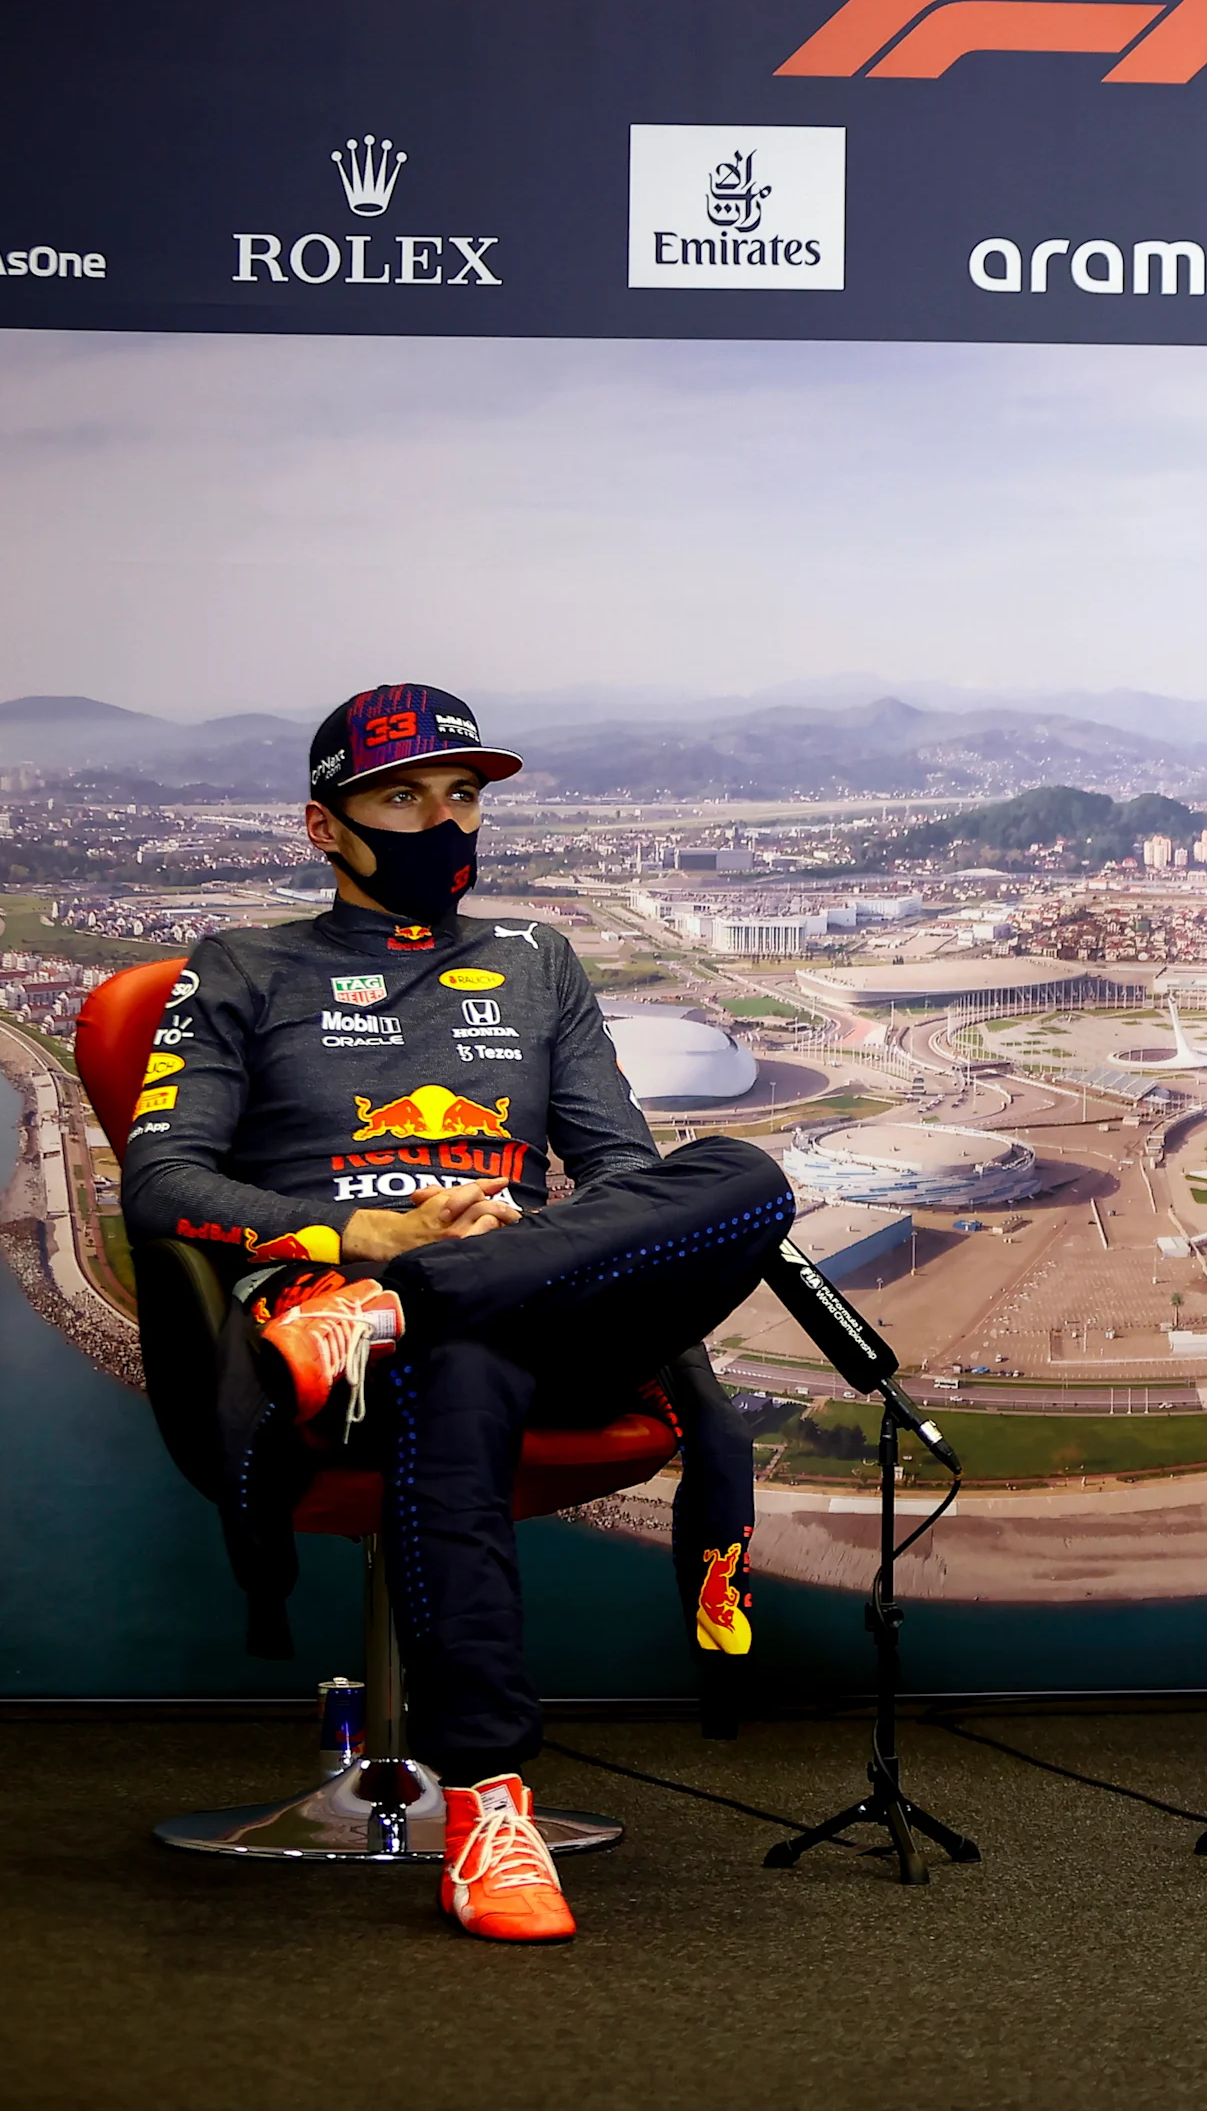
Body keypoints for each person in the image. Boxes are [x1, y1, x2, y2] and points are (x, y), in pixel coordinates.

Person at [120, 684, 797, 1938]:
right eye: (402, 795)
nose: (444, 818)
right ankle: (490, 1806)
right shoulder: (242, 967)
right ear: (325, 826)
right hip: (340, 1303)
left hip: (530, 1292)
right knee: (461, 1363)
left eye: (463, 794)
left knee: (746, 1177)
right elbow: (162, 1183)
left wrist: (522, 1242)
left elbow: (627, 1171)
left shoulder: (538, 960)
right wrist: (357, 1237)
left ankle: (411, 1305)